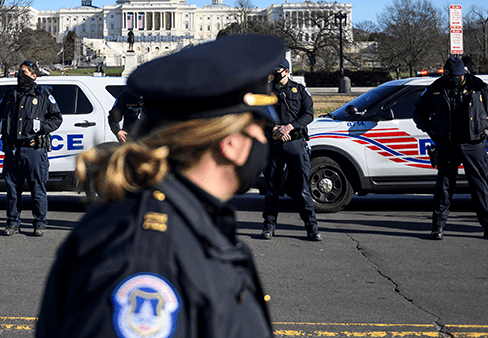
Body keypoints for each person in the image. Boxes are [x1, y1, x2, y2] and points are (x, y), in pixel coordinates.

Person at [36, 34, 284, 338]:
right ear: (230, 143)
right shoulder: (147, 256)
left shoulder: (188, 219)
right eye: (260, 126)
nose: (264, 139)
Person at [413, 56, 488, 241]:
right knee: (444, 187)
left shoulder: (480, 87)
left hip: (475, 145)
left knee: (480, 187)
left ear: (463, 75)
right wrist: (431, 130)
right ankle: (437, 227)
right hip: (447, 144)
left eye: (454, 78)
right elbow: (418, 112)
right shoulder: (436, 88)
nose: (451, 81)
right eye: (448, 77)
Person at [0, 60, 62, 237]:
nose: (20, 76)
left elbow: (56, 119)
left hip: (34, 150)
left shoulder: (43, 94)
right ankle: (13, 223)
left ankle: (39, 223)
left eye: (24, 73)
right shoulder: (10, 94)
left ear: (33, 75)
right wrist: (1, 128)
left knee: (37, 188)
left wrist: (39, 127)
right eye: (19, 72)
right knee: (12, 189)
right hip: (13, 150)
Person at [261, 58, 321, 241]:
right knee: (272, 188)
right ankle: (269, 226)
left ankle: (312, 228)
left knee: (302, 188)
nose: (273, 73)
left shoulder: (300, 90)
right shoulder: (265, 92)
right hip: (274, 144)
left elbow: (308, 114)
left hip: (295, 144)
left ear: (286, 71)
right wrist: (275, 129)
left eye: (277, 70)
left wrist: (290, 127)